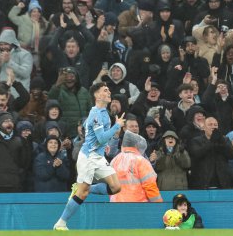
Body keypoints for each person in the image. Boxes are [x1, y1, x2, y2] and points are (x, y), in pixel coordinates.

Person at [53, 82, 125, 230]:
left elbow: (100, 138)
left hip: (98, 157)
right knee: (83, 193)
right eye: (105, 90)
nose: (109, 92)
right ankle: (61, 223)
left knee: (116, 187)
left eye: (109, 90)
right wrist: (117, 126)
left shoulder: (104, 112)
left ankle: (83, 188)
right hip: (88, 157)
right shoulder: (96, 114)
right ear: (97, 95)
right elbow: (101, 138)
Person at [110, 130, 163, 202]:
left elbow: (110, 186)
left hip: (115, 206)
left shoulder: (114, 161)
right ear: (137, 145)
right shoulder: (141, 161)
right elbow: (150, 186)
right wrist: (159, 205)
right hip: (138, 207)